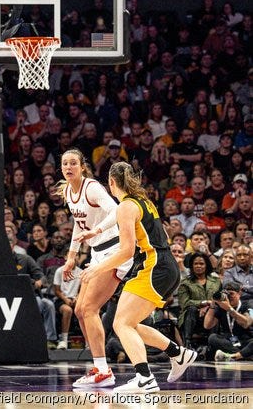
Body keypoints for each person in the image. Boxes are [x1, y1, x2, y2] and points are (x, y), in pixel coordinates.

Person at [80, 162, 195, 393]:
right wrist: (98, 231)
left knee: (121, 323)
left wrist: (97, 268)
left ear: (111, 183)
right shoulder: (144, 202)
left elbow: (126, 251)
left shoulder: (125, 206)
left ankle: (145, 378)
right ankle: (178, 353)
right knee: (130, 324)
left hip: (153, 266)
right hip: (167, 265)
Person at [60, 149, 134, 388]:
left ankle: (104, 370)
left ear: (82, 167)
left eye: (73, 163)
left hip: (114, 250)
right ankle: (99, 366)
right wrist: (71, 257)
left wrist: (98, 230)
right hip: (96, 251)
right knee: (80, 310)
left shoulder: (92, 188)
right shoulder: (68, 192)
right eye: (64, 164)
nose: (68, 167)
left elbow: (116, 210)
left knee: (90, 308)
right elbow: (78, 226)